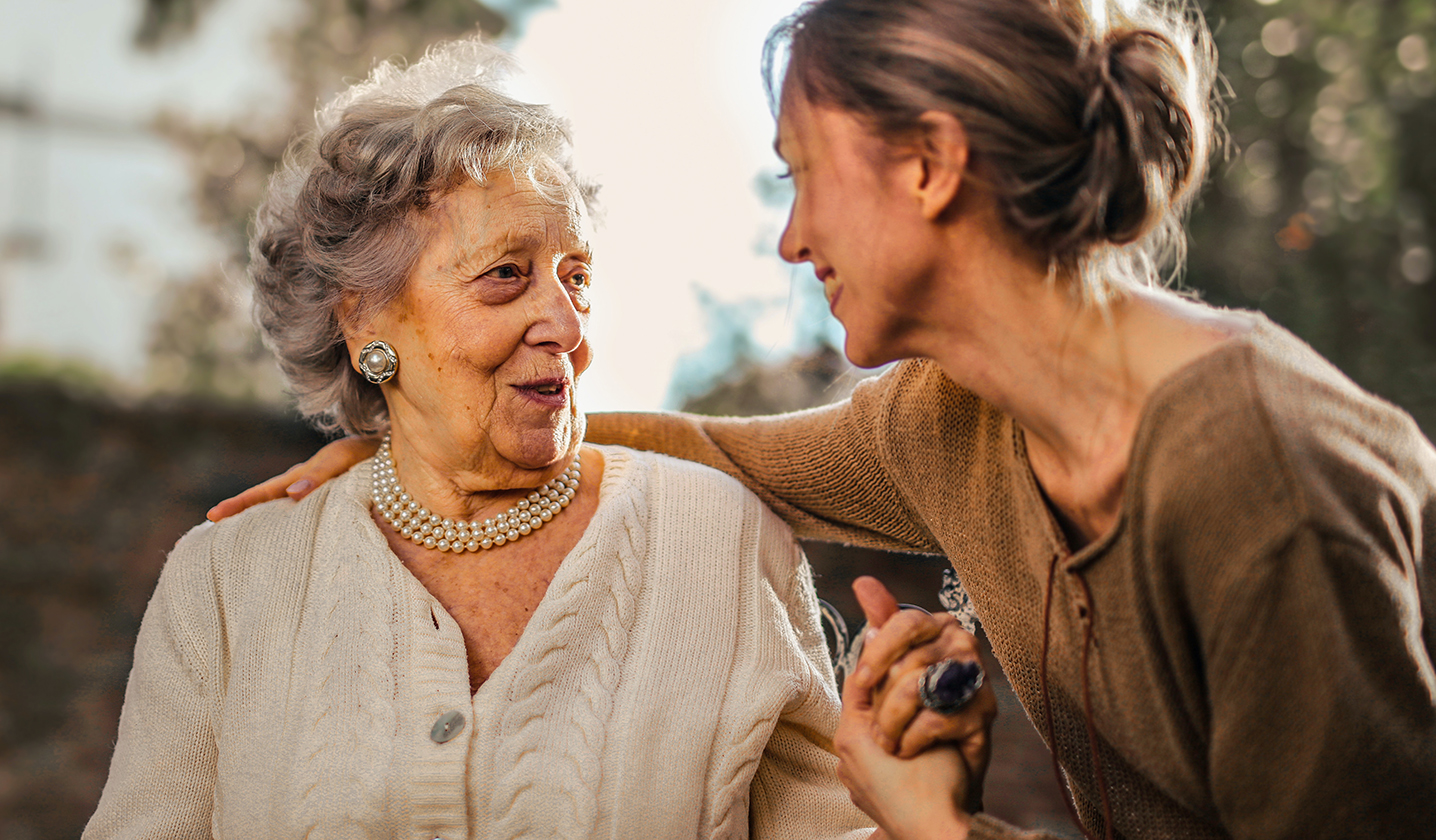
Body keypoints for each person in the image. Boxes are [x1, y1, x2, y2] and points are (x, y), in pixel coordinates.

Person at [209, 0, 1436, 837]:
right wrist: (411, 431)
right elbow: (706, 449)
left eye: (801, 171)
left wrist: (931, 831)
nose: (790, 237)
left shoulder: (1256, 479)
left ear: (928, 164)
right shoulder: (949, 421)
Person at [84, 40, 947, 839]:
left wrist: (923, 807)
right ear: (364, 319)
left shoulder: (721, 541)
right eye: (505, 276)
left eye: (578, 278)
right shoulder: (228, 582)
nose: (566, 324)